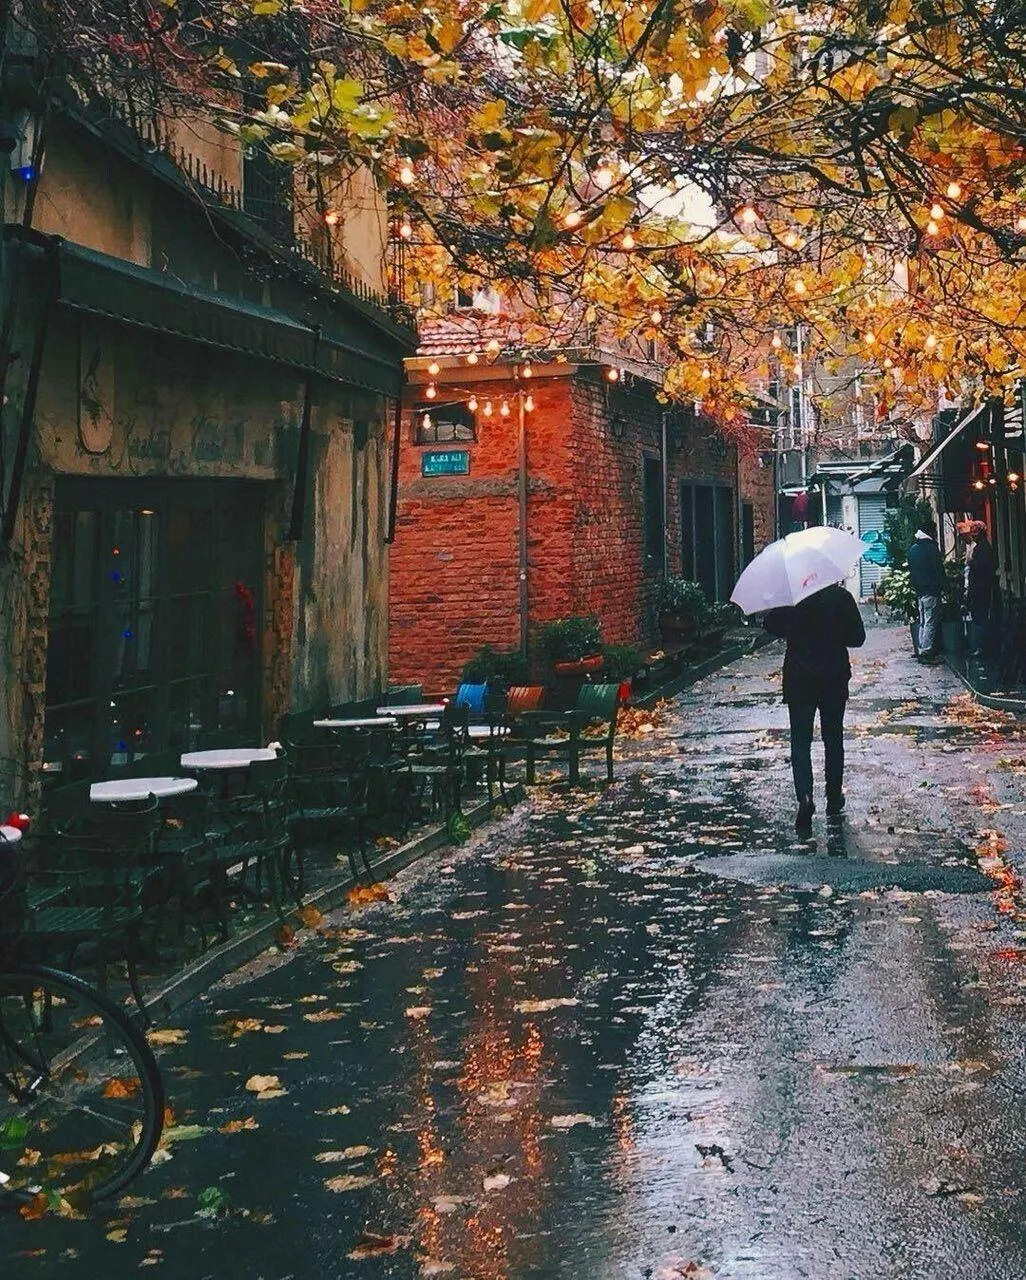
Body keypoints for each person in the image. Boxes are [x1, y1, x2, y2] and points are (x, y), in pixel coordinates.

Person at [764, 582, 866, 833]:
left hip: (800, 679)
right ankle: (833, 798)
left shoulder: (793, 600)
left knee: (800, 742)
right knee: (833, 740)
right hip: (833, 677)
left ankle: (805, 796)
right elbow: (858, 638)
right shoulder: (840, 597)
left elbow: (769, 625)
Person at [906, 517, 945, 662]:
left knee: (923, 620)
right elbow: (938, 569)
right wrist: (944, 586)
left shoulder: (913, 549)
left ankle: (921, 646)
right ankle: (927, 651)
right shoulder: (930, 548)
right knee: (930, 620)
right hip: (930, 589)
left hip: (920, 590)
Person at [965, 520, 996, 656]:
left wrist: (972, 562)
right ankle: (981, 646)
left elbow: (984, 567)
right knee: (979, 616)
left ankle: (982, 647)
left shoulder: (982, 548)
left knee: (980, 617)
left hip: (980, 589)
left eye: (975, 532)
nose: (973, 535)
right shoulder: (981, 547)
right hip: (979, 588)